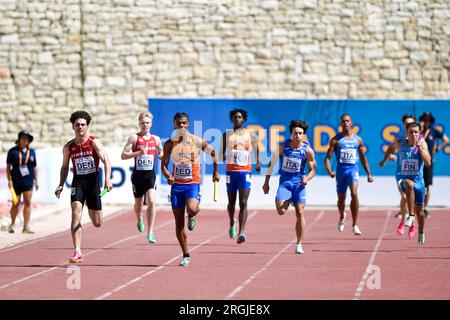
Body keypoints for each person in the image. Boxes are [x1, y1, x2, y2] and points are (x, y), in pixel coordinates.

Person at [161, 112, 220, 267]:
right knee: (179, 224)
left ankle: (192, 215)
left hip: (192, 184)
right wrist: (168, 177)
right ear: (174, 124)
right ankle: (186, 254)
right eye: (179, 123)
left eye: (184, 123)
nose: (181, 126)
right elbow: (163, 167)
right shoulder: (169, 144)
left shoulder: (196, 141)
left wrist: (215, 171)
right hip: (177, 187)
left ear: (188, 124)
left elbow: (214, 153)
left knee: (192, 209)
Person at [54, 110, 112, 263]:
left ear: (87, 127)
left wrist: (107, 180)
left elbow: (106, 161)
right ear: (73, 127)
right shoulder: (68, 147)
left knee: (97, 223)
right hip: (78, 182)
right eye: (77, 125)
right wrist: (60, 184)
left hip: (93, 183)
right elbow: (65, 167)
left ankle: (89, 207)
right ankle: (77, 251)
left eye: (83, 125)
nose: (80, 127)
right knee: (75, 212)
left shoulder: (94, 142)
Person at [262, 120, 316, 254]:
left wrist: (307, 178)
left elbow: (313, 169)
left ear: (303, 135)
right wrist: (266, 182)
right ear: (291, 133)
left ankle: (299, 244)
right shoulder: (283, 147)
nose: (297, 135)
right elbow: (271, 163)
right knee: (281, 211)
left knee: (300, 213)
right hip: (285, 183)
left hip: (299, 184)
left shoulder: (307, 150)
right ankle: (289, 200)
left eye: (300, 133)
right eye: (295, 133)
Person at [379, 122, 431, 245]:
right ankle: (410, 215)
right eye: (411, 132)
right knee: (408, 184)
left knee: (421, 212)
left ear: (419, 133)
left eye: (416, 132)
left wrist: (421, 150)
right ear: (407, 133)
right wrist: (385, 159)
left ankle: (421, 232)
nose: (413, 134)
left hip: (419, 181)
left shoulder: (422, 144)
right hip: (405, 178)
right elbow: (391, 148)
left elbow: (428, 163)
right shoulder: (401, 143)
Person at [324, 114, 374, 235]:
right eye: (343, 121)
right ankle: (342, 216)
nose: (345, 123)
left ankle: (355, 224)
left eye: (347, 121)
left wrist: (368, 173)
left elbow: (363, 158)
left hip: (353, 170)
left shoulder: (358, 140)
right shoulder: (336, 140)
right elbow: (327, 159)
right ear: (341, 124)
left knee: (354, 193)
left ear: (351, 123)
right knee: (341, 200)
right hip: (341, 172)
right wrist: (330, 171)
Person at [121, 111, 163, 243]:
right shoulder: (134, 138)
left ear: (151, 124)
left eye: (147, 123)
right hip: (138, 176)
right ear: (139, 123)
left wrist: (163, 156)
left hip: (150, 175)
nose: (145, 125)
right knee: (138, 204)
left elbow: (161, 152)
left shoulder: (156, 139)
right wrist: (138, 152)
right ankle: (139, 218)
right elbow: (123, 155)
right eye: (143, 122)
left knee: (151, 200)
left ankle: (150, 232)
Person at [221, 109, 260, 244]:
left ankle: (241, 232)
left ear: (244, 119)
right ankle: (232, 221)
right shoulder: (226, 135)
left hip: (245, 172)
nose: (237, 119)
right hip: (231, 173)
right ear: (232, 119)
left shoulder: (250, 135)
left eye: (239, 117)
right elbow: (221, 153)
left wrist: (258, 162)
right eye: (234, 117)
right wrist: (224, 156)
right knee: (231, 203)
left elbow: (256, 148)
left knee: (243, 202)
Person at [6, 130, 39, 234]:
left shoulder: (32, 151)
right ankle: (12, 224)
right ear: (19, 139)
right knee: (15, 203)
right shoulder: (13, 151)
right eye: (23, 138)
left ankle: (26, 226)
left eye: (27, 138)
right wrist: (9, 180)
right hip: (16, 181)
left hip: (28, 181)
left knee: (28, 203)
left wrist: (36, 180)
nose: (25, 140)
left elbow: (35, 167)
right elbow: (8, 167)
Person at [390, 114, 416, 236]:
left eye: (411, 124)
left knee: (413, 199)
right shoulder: (399, 139)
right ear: (403, 125)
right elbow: (392, 151)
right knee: (405, 197)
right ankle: (402, 221)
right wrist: (392, 155)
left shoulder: (419, 139)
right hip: (401, 173)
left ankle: (412, 223)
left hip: (415, 173)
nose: (409, 126)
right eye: (407, 124)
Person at [419, 112, 449, 218]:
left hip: (428, 162)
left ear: (431, 121)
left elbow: (446, 139)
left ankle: (425, 207)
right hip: (417, 161)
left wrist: (437, 148)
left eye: (428, 120)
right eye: (424, 119)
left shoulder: (434, 131)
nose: (426, 121)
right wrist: (420, 129)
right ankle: (416, 206)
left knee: (426, 185)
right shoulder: (418, 130)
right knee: (415, 184)